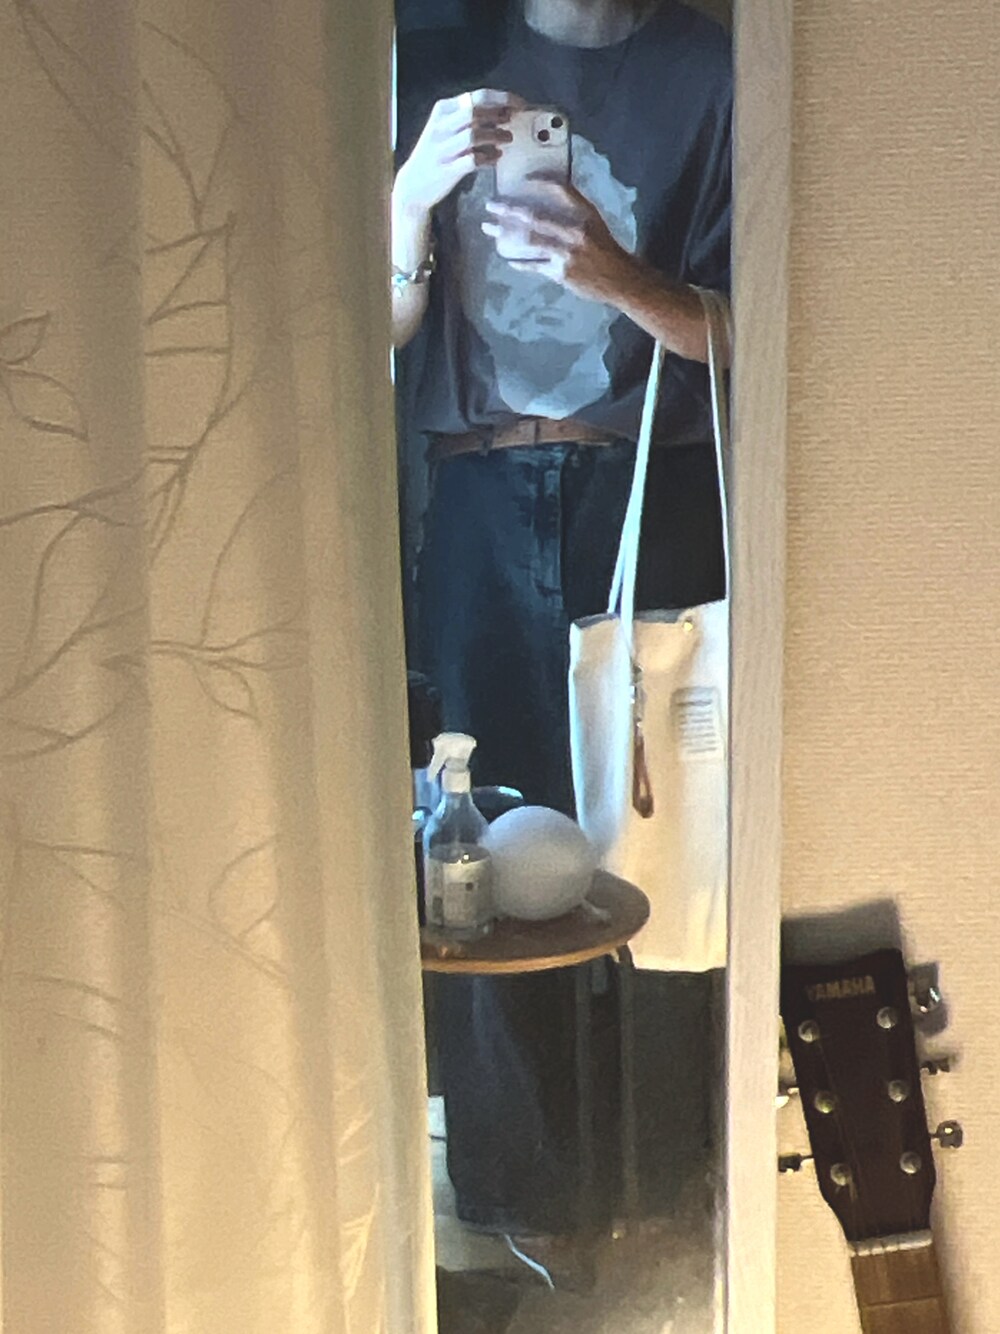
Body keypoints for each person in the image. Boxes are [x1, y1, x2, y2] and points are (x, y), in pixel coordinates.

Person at [393, 0, 731, 1267]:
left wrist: (615, 276)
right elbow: (357, 334)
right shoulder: (434, 61)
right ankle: (518, 1194)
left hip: (650, 486)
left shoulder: (714, 71)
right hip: (477, 488)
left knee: (661, 831)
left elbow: (758, 329)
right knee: (479, 835)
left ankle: (669, 1174)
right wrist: (407, 201)